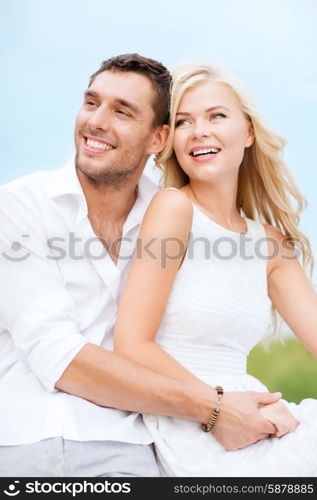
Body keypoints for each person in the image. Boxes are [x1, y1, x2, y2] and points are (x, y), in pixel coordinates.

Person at [0, 54, 283, 477]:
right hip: (38, 439)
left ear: (157, 139)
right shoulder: (19, 206)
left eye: (122, 112)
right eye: (91, 102)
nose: (96, 121)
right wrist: (216, 407)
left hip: (143, 446)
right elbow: (59, 357)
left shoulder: (174, 215)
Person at [114, 61, 317, 477]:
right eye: (184, 121)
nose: (199, 130)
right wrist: (219, 407)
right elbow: (132, 345)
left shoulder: (271, 245)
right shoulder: (174, 208)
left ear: (248, 132)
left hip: (254, 415)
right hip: (195, 426)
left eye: (216, 116)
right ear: (173, 141)